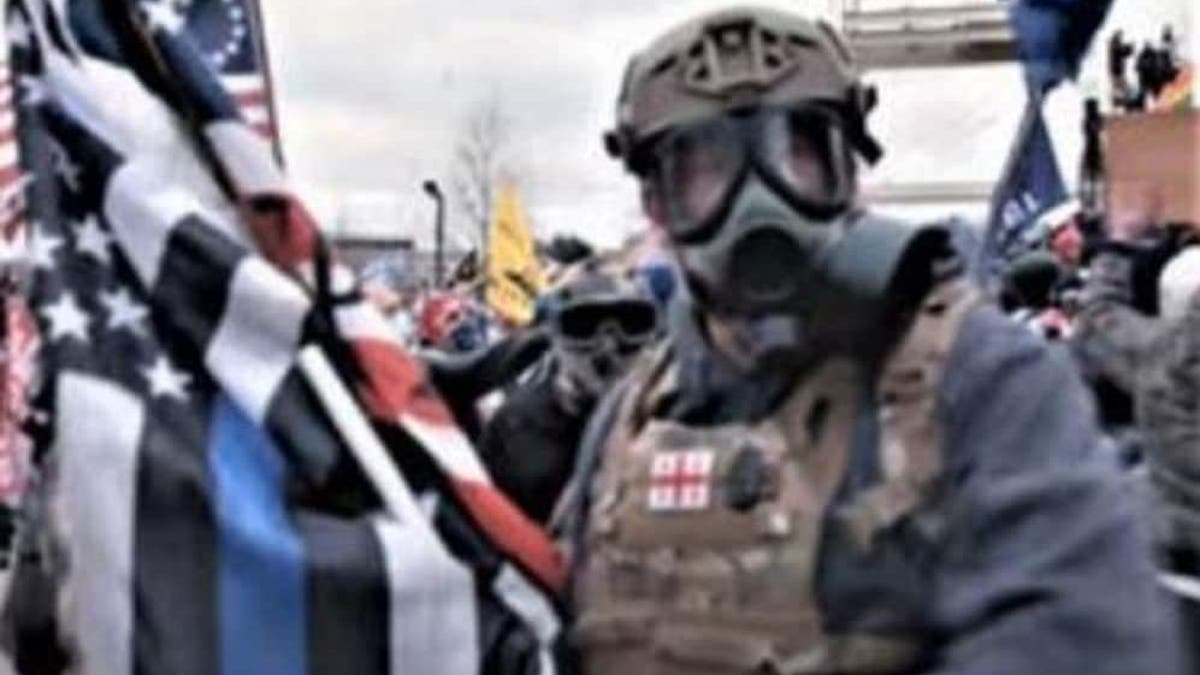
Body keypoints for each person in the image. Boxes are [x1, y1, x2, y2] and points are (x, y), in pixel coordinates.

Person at [559, 7, 1178, 673]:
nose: (759, 199)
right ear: (657, 205)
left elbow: (1081, 641)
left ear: (850, 171)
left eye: (798, 150)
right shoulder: (629, 420)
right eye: (706, 169)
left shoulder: (982, 380)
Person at [480, 263, 660, 524]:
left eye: (630, 324)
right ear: (555, 337)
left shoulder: (674, 414)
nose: (608, 345)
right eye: (585, 326)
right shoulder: (515, 425)